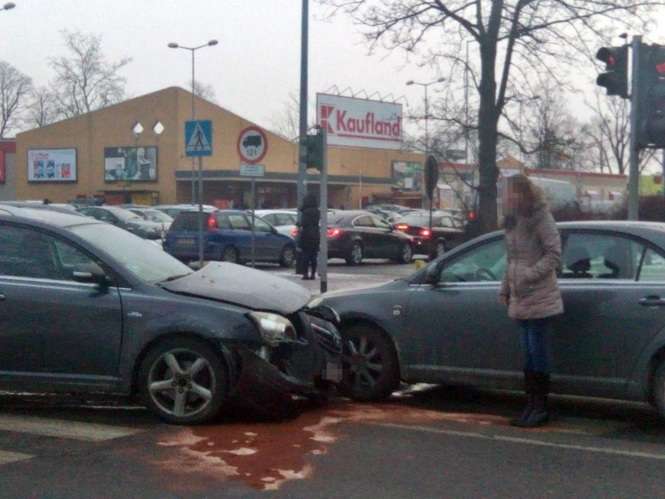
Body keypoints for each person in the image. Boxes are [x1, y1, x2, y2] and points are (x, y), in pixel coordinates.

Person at [499, 174, 564, 428]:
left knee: (538, 353)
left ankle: (540, 407)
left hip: (540, 296)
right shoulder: (512, 221)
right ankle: (530, 405)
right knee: (527, 354)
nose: (508, 197)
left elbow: (554, 255)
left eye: (513, 192)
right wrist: (505, 287)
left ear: (524, 193)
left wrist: (529, 275)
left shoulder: (540, 217)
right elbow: (511, 260)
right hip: (520, 296)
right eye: (506, 193)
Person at [298, 192, 320, 280]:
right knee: (313, 256)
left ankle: (305, 274)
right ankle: (313, 274)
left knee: (305, 256)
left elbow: (303, 223)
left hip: (306, 235)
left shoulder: (305, 212)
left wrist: (298, 224)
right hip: (315, 235)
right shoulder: (317, 211)